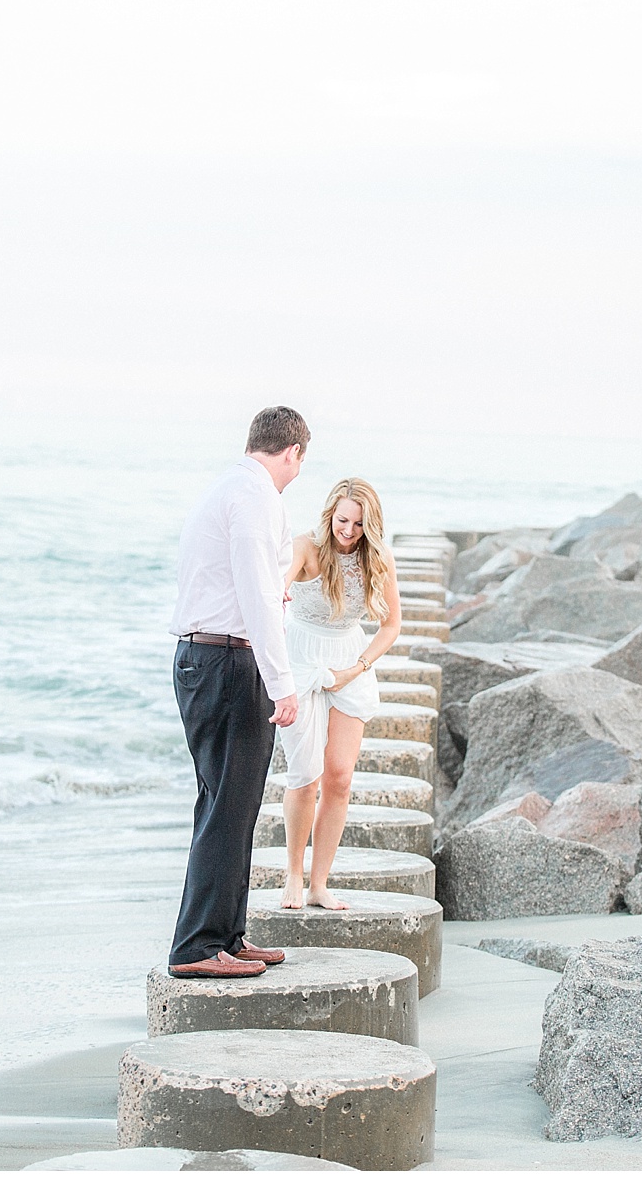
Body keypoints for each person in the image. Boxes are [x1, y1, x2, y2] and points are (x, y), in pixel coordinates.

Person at [164, 407, 309, 979]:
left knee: (231, 803)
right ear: (293, 452)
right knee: (228, 805)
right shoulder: (255, 497)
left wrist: (273, 597)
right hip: (225, 661)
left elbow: (244, 583)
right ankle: (197, 946)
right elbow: (253, 589)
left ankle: (227, 933)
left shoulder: (229, 487)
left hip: (211, 656)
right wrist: (283, 684)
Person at [275, 478, 403, 910]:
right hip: (302, 657)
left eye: (358, 524)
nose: (348, 530)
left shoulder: (379, 557)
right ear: (330, 513)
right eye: (342, 520)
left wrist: (357, 669)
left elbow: (390, 626)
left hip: (349, 659)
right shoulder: (306, 547)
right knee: (305, 774)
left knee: (340, 777)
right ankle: (293, 874)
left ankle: (319, 884)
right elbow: (274, 590)